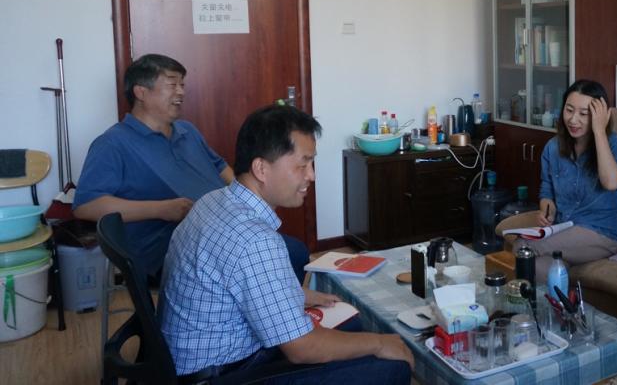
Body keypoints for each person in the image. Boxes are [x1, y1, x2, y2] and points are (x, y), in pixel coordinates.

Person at [160, 104, 413, 383]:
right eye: (302, 165)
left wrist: (296, 295)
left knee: (351, 325)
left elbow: (240, 281)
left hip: (194, 355)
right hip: (221, 373)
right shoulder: (255, 239)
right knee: (391, 365)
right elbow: (302, 348)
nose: (311, 176)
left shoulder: (214, 200)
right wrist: (379, 342)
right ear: (261, 168)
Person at [73, 54, 309, 281]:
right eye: (172, 84)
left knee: (284, 249)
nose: (181, 92)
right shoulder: (113, 143)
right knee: (290, 253)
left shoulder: (188, 130)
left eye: (182, 85)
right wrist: (161, 209)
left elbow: (220, 167)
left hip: (221, 227)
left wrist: (247, 199)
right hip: (171, 247)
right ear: (141, 92)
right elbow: (86, 206)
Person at [513, 79, 617, 284]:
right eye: (569, 110)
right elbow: (546, 189)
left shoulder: (616, 143)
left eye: (584, 114)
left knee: (523, 246)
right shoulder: (553, 147)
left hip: (601, 232)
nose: (573, 120)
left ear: (601, 116)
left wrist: (599, 132)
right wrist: (546, 208)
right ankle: (553, 305)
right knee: (541, 267)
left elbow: (611, 183)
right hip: (563, 229)